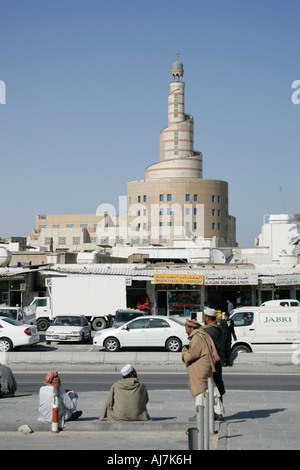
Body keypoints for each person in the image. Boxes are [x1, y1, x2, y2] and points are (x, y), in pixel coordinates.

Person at [182, 319, 220, 416]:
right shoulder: (204, 334)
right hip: (208, 366)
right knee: (211, 388)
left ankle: (200, 414)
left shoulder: (197, 338)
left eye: (186, 328)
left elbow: (191, 355)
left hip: (200, 368)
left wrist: (184, 352)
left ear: (191, 328)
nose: (186, 331)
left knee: (199, 390)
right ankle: (217, 411)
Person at [202, 308, 226, 420]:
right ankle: (219, 412)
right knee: (218, 385)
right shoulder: (218, 328)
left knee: (206, 388)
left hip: (209, 362)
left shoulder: (207, 331)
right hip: (218, 362)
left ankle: (209, 412)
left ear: (207, 318)